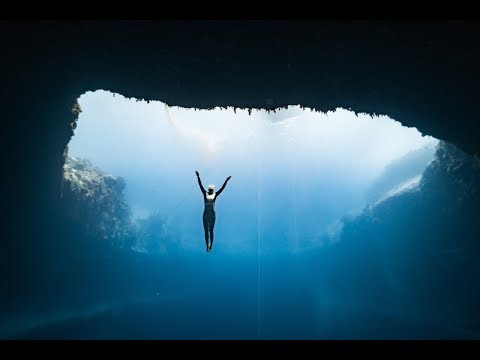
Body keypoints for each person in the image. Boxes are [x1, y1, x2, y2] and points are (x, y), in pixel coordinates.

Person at [195, 170, 231, 252]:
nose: (211, 190)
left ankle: (211, 245)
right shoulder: (205, 193)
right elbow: (200, 186)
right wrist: (198, 177)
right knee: (205, 230)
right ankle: (206, 245)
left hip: (212, 214)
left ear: (213, 190)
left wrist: (226, 180)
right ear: (208, 189)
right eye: (210, 189)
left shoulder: (215, 194)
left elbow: (222, 188)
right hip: (205, 214)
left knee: (211, 230)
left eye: (212, 189)